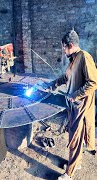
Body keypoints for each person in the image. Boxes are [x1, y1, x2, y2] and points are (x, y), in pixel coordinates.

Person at [39, 30, 97, 180]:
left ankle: (69, 174)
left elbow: (93, 83)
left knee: (75, 139)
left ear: (70, 45)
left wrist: (74, 95)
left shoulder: (84, 57)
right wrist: (52, 85)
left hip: (81, 107)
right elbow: (66, 77)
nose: (63, 50)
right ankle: (75, 163)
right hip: (73, 106)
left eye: (64, 47)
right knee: (74, 136)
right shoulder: (73, 59)